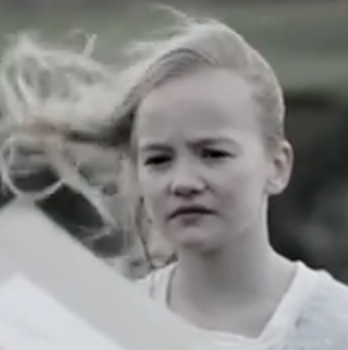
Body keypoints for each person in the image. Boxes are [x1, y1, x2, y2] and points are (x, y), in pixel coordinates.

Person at [0, 8, 347, 350]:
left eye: (213, 154)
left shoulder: (337, 323)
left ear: (277, 166)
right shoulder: (104, 329)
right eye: (159, 159)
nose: (183, 182)